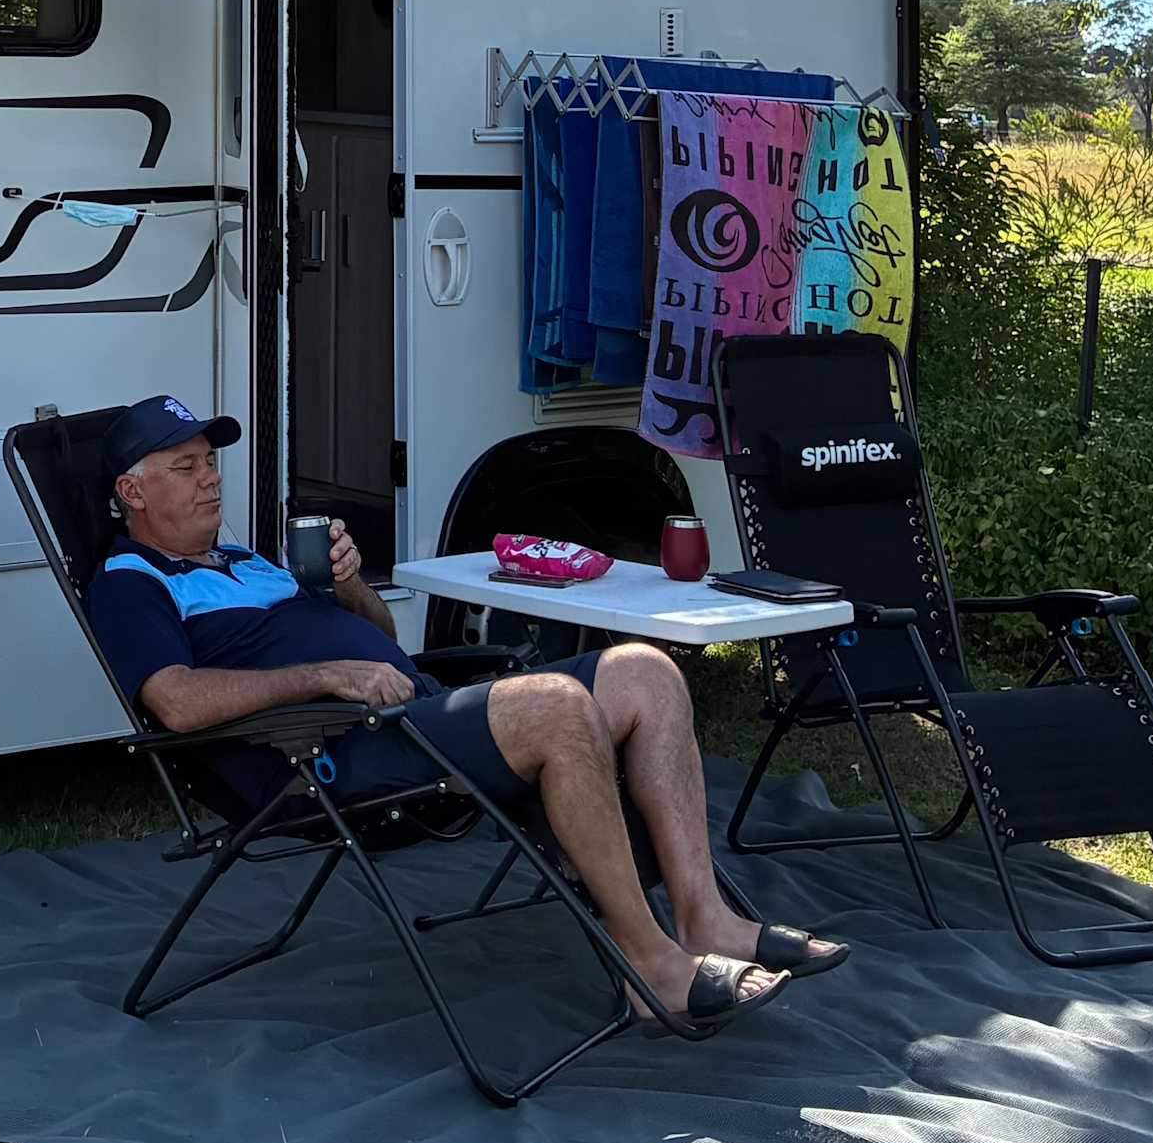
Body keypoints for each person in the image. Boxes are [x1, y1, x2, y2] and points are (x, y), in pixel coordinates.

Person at [83, 395, 843, 1019]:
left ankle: (704, 914)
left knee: (645, 671)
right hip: (332, 757)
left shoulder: (245, 560)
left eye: (211, 462)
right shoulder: (129, 584)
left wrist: (349, 590)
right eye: (185, 468)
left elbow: (382, 642)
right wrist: (327, 675)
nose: (210, 480)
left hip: (407, 714)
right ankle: (648, 966)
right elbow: (177, 704)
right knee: (555, 706)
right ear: (133, 492)